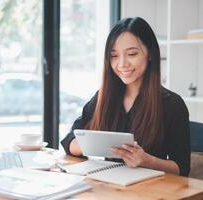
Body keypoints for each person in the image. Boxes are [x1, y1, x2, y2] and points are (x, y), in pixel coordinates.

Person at [61, 17, 190, 176]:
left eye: (131, 54)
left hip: (151, 190)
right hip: (110, 186)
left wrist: (147, 161)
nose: (122, 64)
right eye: (114, 56)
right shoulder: (105, 97)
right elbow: (68, 142)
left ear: (149, 53)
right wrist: (91, 144)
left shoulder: (172, 104)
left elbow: (182, 169)